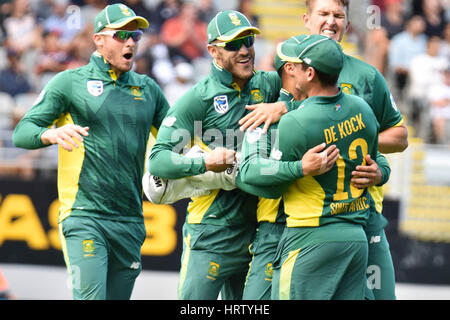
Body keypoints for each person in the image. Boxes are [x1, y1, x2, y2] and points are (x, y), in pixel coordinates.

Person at [147, 10, 336, 300]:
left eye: (248, 40)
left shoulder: (269, 84)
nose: (245, 50)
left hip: (259, 232)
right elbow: (158, 160)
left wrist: (283, 107)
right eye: (234, 44)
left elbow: (321, 103)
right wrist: (205, 161)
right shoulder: (197, 99)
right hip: (211, 231)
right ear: (212, 51)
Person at [238, 0, 408, 300]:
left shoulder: (366, 77)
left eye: (338, 15)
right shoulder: (285, 68)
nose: (331, 21)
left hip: (360, 215)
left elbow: (401, 136)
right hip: (286, 218)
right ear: (307, 19)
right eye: (324, 14)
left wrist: (347, 143)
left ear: (348, 22)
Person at [12, 3, 170, 300]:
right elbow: (22, 132)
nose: (131, 42)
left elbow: (180, 138)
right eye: (121, 35)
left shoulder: (148, 89)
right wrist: (50, 133)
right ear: (99, 40)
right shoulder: (70, 82)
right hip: (85, 215)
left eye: (135, 35)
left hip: (131, 219)